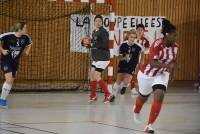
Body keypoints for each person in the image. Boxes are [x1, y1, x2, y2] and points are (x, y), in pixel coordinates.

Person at [133, 19, 178, 133]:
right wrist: (167, 66)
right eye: (174, 35)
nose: (175, 37)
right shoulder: (157, 44)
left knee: (159, 95)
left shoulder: (176, 47)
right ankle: (136, 110)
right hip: (146, 74)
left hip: (162, 74)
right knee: (143, 98)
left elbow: (174, 61)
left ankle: (149, 126)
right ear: (167, 35)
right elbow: (153, 63)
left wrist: (172, 73)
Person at [82, 15, 113, 104]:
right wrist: (88, 45)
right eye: (96, 21)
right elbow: (94, 44)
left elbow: (104, 45)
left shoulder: (104, 32)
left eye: (99, 21)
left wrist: (92, 45)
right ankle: (93, 96)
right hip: (96, 58)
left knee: (96, 75)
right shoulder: (94, 32)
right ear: (94, 22)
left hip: (103, 58)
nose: (98, 22)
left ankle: (108, 94)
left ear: (102, 22)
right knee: (91, 75)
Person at [0, 21, 32, 108]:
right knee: (9, 79)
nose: (26, 29)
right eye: (25, 28)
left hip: (15, 61)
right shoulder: (8, 35)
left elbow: (30, 43)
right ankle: (2, 100)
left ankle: (3, 99)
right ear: (20, 29)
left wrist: (27, 50)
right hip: (6, 60)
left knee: (12, 80)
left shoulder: (26, 37)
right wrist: (2, 50)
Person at [111, 30, 145, 101]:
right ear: (128, 36)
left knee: (127, 80)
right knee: (119, 79)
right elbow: (119, 57)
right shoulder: (123, 45)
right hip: (123, 64)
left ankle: (124, 86)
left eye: (134, 37)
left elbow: (143, 51)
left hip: (132, 64)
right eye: (131, 37)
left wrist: (142, 60)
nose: (132, 39)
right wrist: (124, 58)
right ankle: (113, 95)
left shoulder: (138, 46)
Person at [129, 24, 150, 95]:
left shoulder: (145, 40)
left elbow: (147, 49)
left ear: (143, 31)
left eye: (142, 30)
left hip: (141, 58)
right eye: (138, 30)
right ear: (136, 30)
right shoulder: (132, 38)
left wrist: (143, 53)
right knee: (132, 73)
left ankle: (139, 87)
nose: (140, 31)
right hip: (131, 58)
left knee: (140, 73)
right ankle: (132, 88)